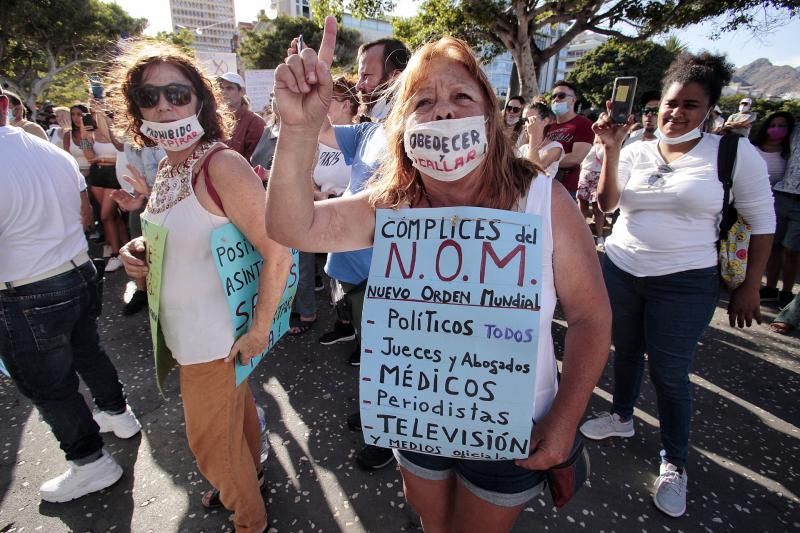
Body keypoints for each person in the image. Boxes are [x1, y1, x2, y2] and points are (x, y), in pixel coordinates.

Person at [267, 19, 611, 531]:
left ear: (492, 116)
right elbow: (291, 225)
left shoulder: (542, 199)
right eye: (423, 102)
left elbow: (590, 318)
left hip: (513, 425)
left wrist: (564, 421)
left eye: (461, 96)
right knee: (431, 522)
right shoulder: (391, 207)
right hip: (418, 415)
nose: (443, 109)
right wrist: (297, 128)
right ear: (403, 128)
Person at [580, 52, 775, 518]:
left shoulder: (730, 152)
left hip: (687, 281)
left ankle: (674, 462)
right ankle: (622, 417)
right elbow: (607, 206)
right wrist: (609, 148)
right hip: (622, 269)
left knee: (669, 373)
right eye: (670, 103)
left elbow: (762, 218)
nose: (675, 113)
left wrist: (749, 287)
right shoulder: (636, 148)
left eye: (690, 105)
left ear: (708, 109)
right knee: (623, 352)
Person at [113, 40, 291, 532]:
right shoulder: (169, 166)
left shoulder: (221, 164)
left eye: (177, 92)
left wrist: (259, 331)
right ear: (137, 108)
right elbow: (185, 236)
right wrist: (138, 253)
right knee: (235, 422)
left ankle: (248, 519)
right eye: (150, 97)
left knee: (210, 445)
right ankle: (249, 478)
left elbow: (278, 250)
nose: (164, 105)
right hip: (188, 333)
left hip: (214, 340)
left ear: (200, 100)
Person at [0, 84, 141, 504]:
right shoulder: (52, 152)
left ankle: (90, 463)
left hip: (26, 288)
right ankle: (117, 413)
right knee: (87, 351)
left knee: (50, 386)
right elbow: (84, 216)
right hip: (75, 271)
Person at [289, 76, 359, 336]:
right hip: (324, 209)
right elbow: (306, 175)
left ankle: (359, 331)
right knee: (333, 272)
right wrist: (320, 196)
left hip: (352, 215)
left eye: (332, 99)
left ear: (348, 104)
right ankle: (343, 322)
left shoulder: (362, 135)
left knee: (353, 275)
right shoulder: (321, 140)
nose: (325, 105)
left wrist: (336, 198)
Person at [111, 142, 166, 316]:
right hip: (147, 200)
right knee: (140, 250)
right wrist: (139, 198)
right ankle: (143, 293)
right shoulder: (131, 140)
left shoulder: (176, 138)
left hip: (164, 203)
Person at [754, 112, 797, 309]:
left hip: (795, 203)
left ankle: (787, 292)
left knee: (793, 250)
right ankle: (770, 288)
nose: (777, 129)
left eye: (782, 126)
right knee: (774, 246)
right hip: (777, 199)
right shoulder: (754, 148)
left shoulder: (788, 150)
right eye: (774, 125)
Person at [80, 103, 128, 272]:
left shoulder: (116, 130)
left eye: (98, 111)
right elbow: (90, 157)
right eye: (92, 112)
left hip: (114, 175)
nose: (94, 115)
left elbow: (121, 151)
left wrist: (103, 159)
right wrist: (84, 137)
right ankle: (124, 250)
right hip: (98, 175)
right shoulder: (91, 133)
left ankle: (116, 254)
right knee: (113, 217)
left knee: (105, 215)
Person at [545, 80, 594, 198]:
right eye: (553, 96)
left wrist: (541, 163)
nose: (556, 99)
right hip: (543, 184)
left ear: (573, 100)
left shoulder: (583, 123)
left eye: (561, 96)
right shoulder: (548, 126)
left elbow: (576, 158)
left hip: (565, 189)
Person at [219, 71, 267, 160]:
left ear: (242, 92)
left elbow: (256, 162)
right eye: (221, 88)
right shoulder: (215, 119)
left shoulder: (255, 122)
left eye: (229, 88)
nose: (223, 92)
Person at [517, 99, 562, 178]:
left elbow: (534, 170)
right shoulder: (523, 148)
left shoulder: (555, 147)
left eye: (531, 120)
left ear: (545, 121)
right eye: (524, 120)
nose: (526, 124)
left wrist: (533, 135)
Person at [62, 105, 93, 178]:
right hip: (74, 173)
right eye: (73, 114)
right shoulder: (67, 135)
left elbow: (92, 158)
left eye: (79, 114)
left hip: (93, 172)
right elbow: (67, 159)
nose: (76, 118)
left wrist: (84, 136)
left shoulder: (94, 133)